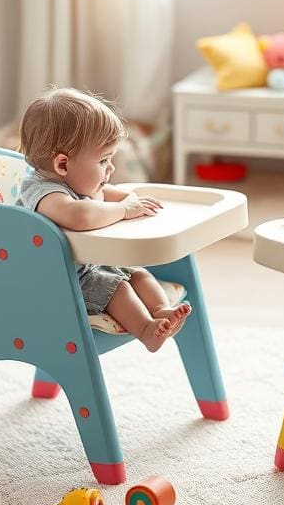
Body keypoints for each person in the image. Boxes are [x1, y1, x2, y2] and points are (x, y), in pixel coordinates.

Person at [16, 87, 189, 351]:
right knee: (117, 288)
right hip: (59, 281)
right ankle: (146, 329)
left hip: (88, 266)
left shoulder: (72, 180)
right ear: (62, 164)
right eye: (104, 160)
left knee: (138, 275)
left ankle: (161, 311)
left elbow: (102, 192)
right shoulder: (42, 191)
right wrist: (124, 210)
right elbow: (81, 215)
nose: (112, 168)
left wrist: (130, 199)